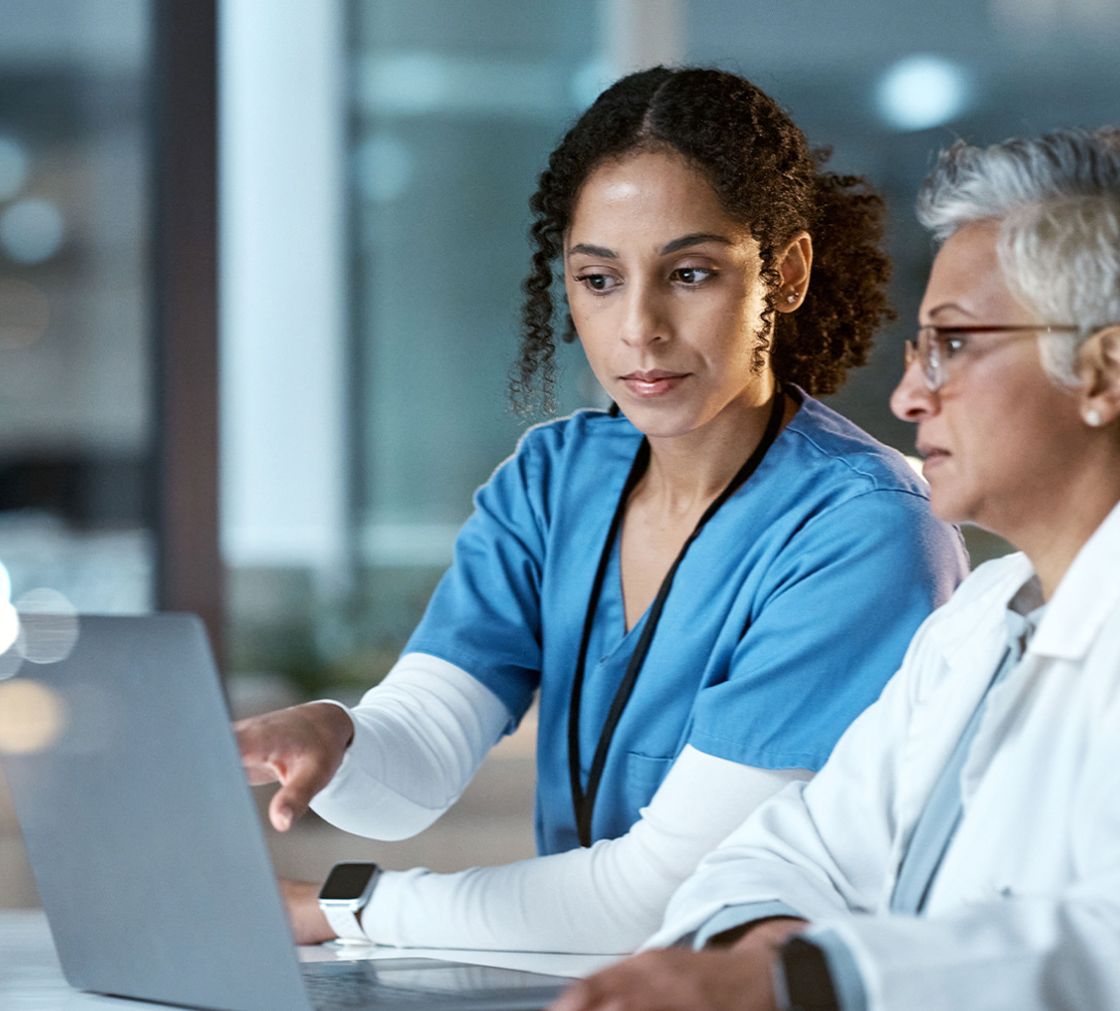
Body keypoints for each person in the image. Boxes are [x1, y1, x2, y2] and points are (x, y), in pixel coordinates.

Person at [237, 66, 966, 954]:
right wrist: (333, 740)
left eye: (689, 273)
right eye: (599, 279)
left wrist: (344, 907)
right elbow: (420, 758)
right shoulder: (556, 478)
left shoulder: (866, 534)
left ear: (786, 273)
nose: (639, 329)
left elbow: (667, 898)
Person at [523, 125, 1120, 1011]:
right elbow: (780, 853)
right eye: (921, 347)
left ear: (1104, 370)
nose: (911, 397)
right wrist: (756, 952)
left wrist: (804, 983)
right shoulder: (982, 619)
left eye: (954, 344)